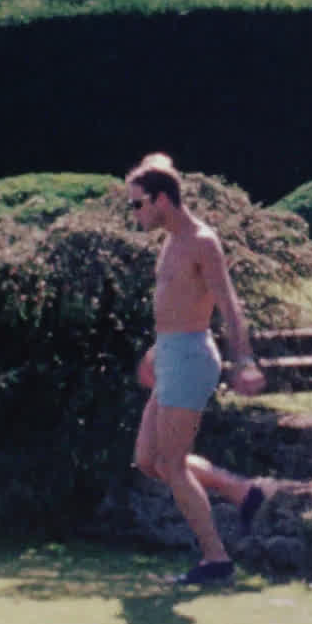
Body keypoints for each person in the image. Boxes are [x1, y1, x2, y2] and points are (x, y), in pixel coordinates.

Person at [126, 153, 269, 587]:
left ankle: (216, 559)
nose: (134, 214)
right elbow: (174, 306)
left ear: (162, 200)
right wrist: (155, 351)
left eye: (137, 204)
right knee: (148, 460)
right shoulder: (170, 239)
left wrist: (243, 360)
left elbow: (228, 304)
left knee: (171, 465)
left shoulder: (202, 242)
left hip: (190, 358)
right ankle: (241, 491)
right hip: (171, 354)